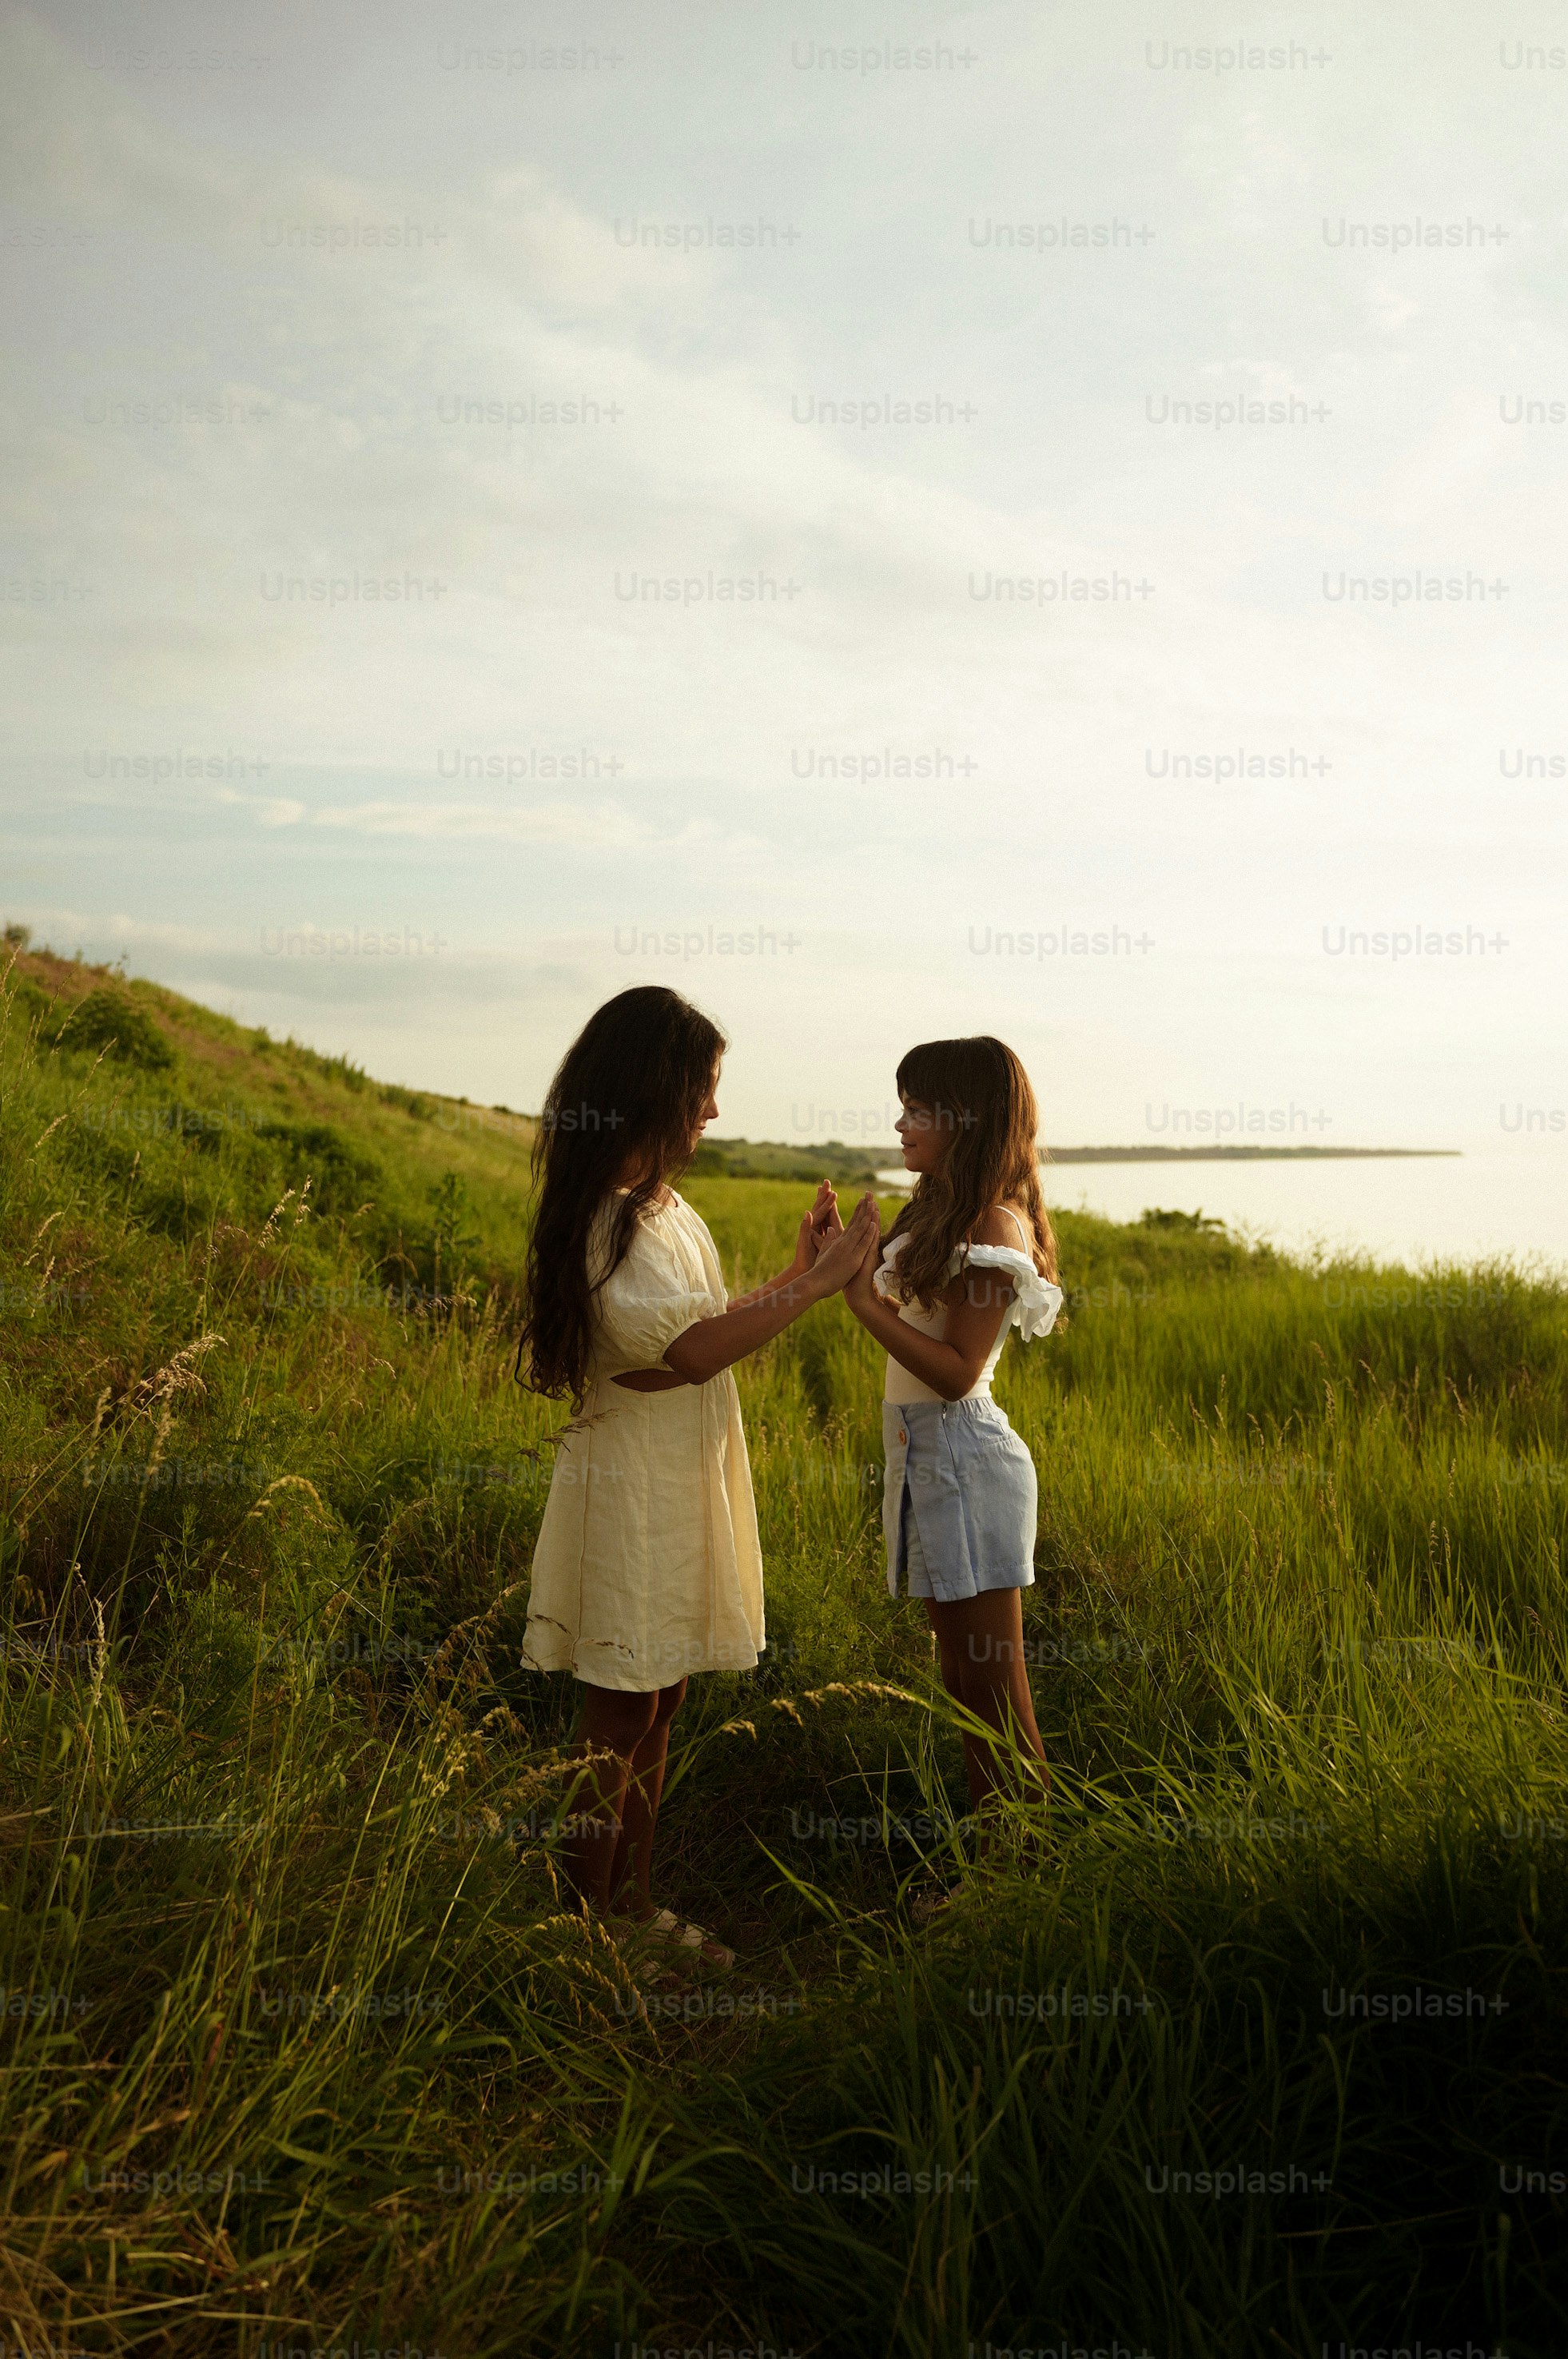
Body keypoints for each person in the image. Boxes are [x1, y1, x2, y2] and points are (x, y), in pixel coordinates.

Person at [519, 985, 876, 1966]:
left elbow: (700, 1326)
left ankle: (631, 1906)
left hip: (682, 1469)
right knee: (620, 1704)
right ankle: (581, 1925)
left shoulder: (665, 1209)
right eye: (704, 1089)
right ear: (656, 1090)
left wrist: (793, 1271)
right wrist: (820, 1281)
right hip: (632, 1479)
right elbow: (685, 1356)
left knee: (662, 1693)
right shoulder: (604, 1220)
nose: (714, 1112)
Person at [839, 1036, 1062, 1826]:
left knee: (997, 1697)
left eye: (918, 1108)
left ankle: (1024, 1881)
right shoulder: (936, 1209)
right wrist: (843, 1263)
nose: (901, 1124)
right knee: (966, 1689)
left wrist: (863, 1303)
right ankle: (999, 1875)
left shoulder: (993, 1223)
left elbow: (961, 1367)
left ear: (966, 1119)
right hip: (925, 1456)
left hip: (966, 1459)